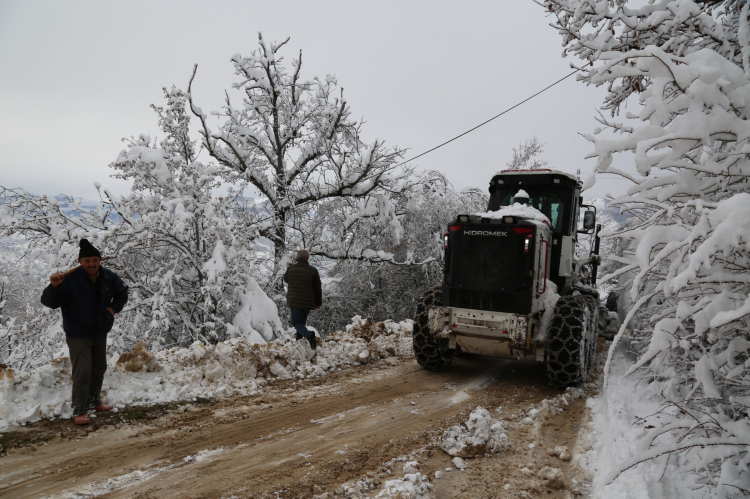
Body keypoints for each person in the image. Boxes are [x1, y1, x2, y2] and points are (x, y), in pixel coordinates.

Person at [41, 239, 129, 425]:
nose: (91, 264)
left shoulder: (108, 277)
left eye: (94, 260)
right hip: (78, 333)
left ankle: (94, 401)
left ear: (99, 261)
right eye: (87, 260)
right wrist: (54, 286)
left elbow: (122, 293)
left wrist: (113, 308)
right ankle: (80, 408)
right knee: (82, 371)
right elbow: (50, 302)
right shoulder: (70, 280)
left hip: (100, 330)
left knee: (99, 367)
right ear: (80, 262)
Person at [283, 249, 322, 350]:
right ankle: (299, 341)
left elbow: (286, 279)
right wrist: (318, 302)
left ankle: (308, 335)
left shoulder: (291, 269)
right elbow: (318, 287)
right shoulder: (313, 270)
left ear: (297, 257)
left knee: (297, 323)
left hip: (294, 300)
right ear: (307, 257)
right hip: (308, 302)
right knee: (302, 323)